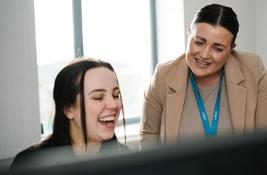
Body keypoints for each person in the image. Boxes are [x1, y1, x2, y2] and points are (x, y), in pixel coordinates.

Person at [139, 3, 267, 149]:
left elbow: (262, 140)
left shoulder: (253, 70)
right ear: (188, 34)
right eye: (199, 42)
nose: (204, 55)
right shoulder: (162, 76)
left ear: (231, 49)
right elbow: (148, 136)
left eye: (217, 49)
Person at [10, 58, 129, 171]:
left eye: (116, 95)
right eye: (98, 97)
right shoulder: (30, 164)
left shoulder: (126, 159)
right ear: (69, 110)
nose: (113, 104)